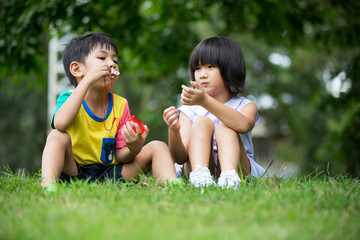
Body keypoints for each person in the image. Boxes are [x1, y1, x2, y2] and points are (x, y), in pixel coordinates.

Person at [41, 32, 180, 191]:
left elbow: (119, 155)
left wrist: (134, 147)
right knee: (57, 136)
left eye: (115, 60)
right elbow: (60, 124)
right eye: (102, 58)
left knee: (158, 146)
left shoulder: (120, 104)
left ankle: (171, 184)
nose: (112, 64)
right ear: (77, 69)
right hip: (73, 172)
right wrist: (87, 81)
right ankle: (49, 186)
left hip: (109, 174)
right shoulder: (68, 98)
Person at [163, 36, 265, 189]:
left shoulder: (246, 106)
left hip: (239, 171)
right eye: (197, 68)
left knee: (226, 126)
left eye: (210, 66)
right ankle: (200, 177)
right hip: (200, 168)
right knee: (202, 121)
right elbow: (180, 157)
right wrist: (174, 130)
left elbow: (243, 125)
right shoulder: (188, 110)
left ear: (230, 68)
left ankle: (230, 180)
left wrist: (206, 101)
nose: (202, 74)